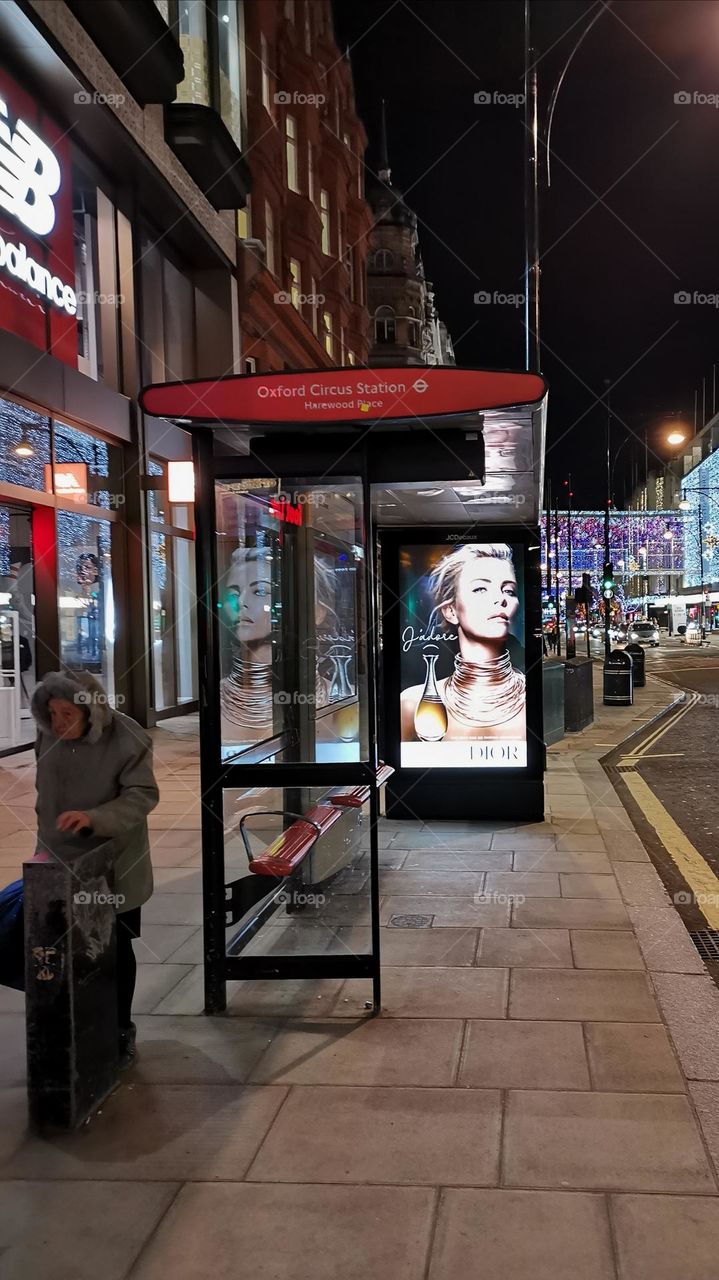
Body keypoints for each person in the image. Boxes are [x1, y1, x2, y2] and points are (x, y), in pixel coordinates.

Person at [31, 670, 159, 1069]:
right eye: (52, 714)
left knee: (115, 945)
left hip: (115, 862)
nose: (58, 723)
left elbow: (143, 795)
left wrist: (94, 818)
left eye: (67, 713)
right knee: (60, 946)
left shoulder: (127, 735)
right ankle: (75, 1027)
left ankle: (121, 1028)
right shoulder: (48, 737)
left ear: (92, 711)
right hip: (58, 861)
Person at [401, 543, 526, 741]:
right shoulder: (412, 703)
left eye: (509, 591)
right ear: (451, 610)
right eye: (480, 589)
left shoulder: (530, 698)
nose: (500, 599)